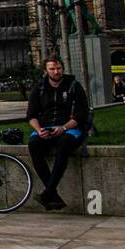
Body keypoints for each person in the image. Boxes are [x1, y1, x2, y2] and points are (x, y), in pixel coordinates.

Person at [27, 55, 89, 211]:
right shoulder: (39, 88)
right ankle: (53, 195)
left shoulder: (74, 86)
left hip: (70, 128)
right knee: (34, 145)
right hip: (46, 128)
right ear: (46, 70)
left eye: (58, 68)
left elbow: (82, 114)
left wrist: (63, 128)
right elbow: (31, 115)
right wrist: (39, 130)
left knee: (64, 144)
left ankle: (48, 193)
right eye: (52, 69)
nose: (56, 71)